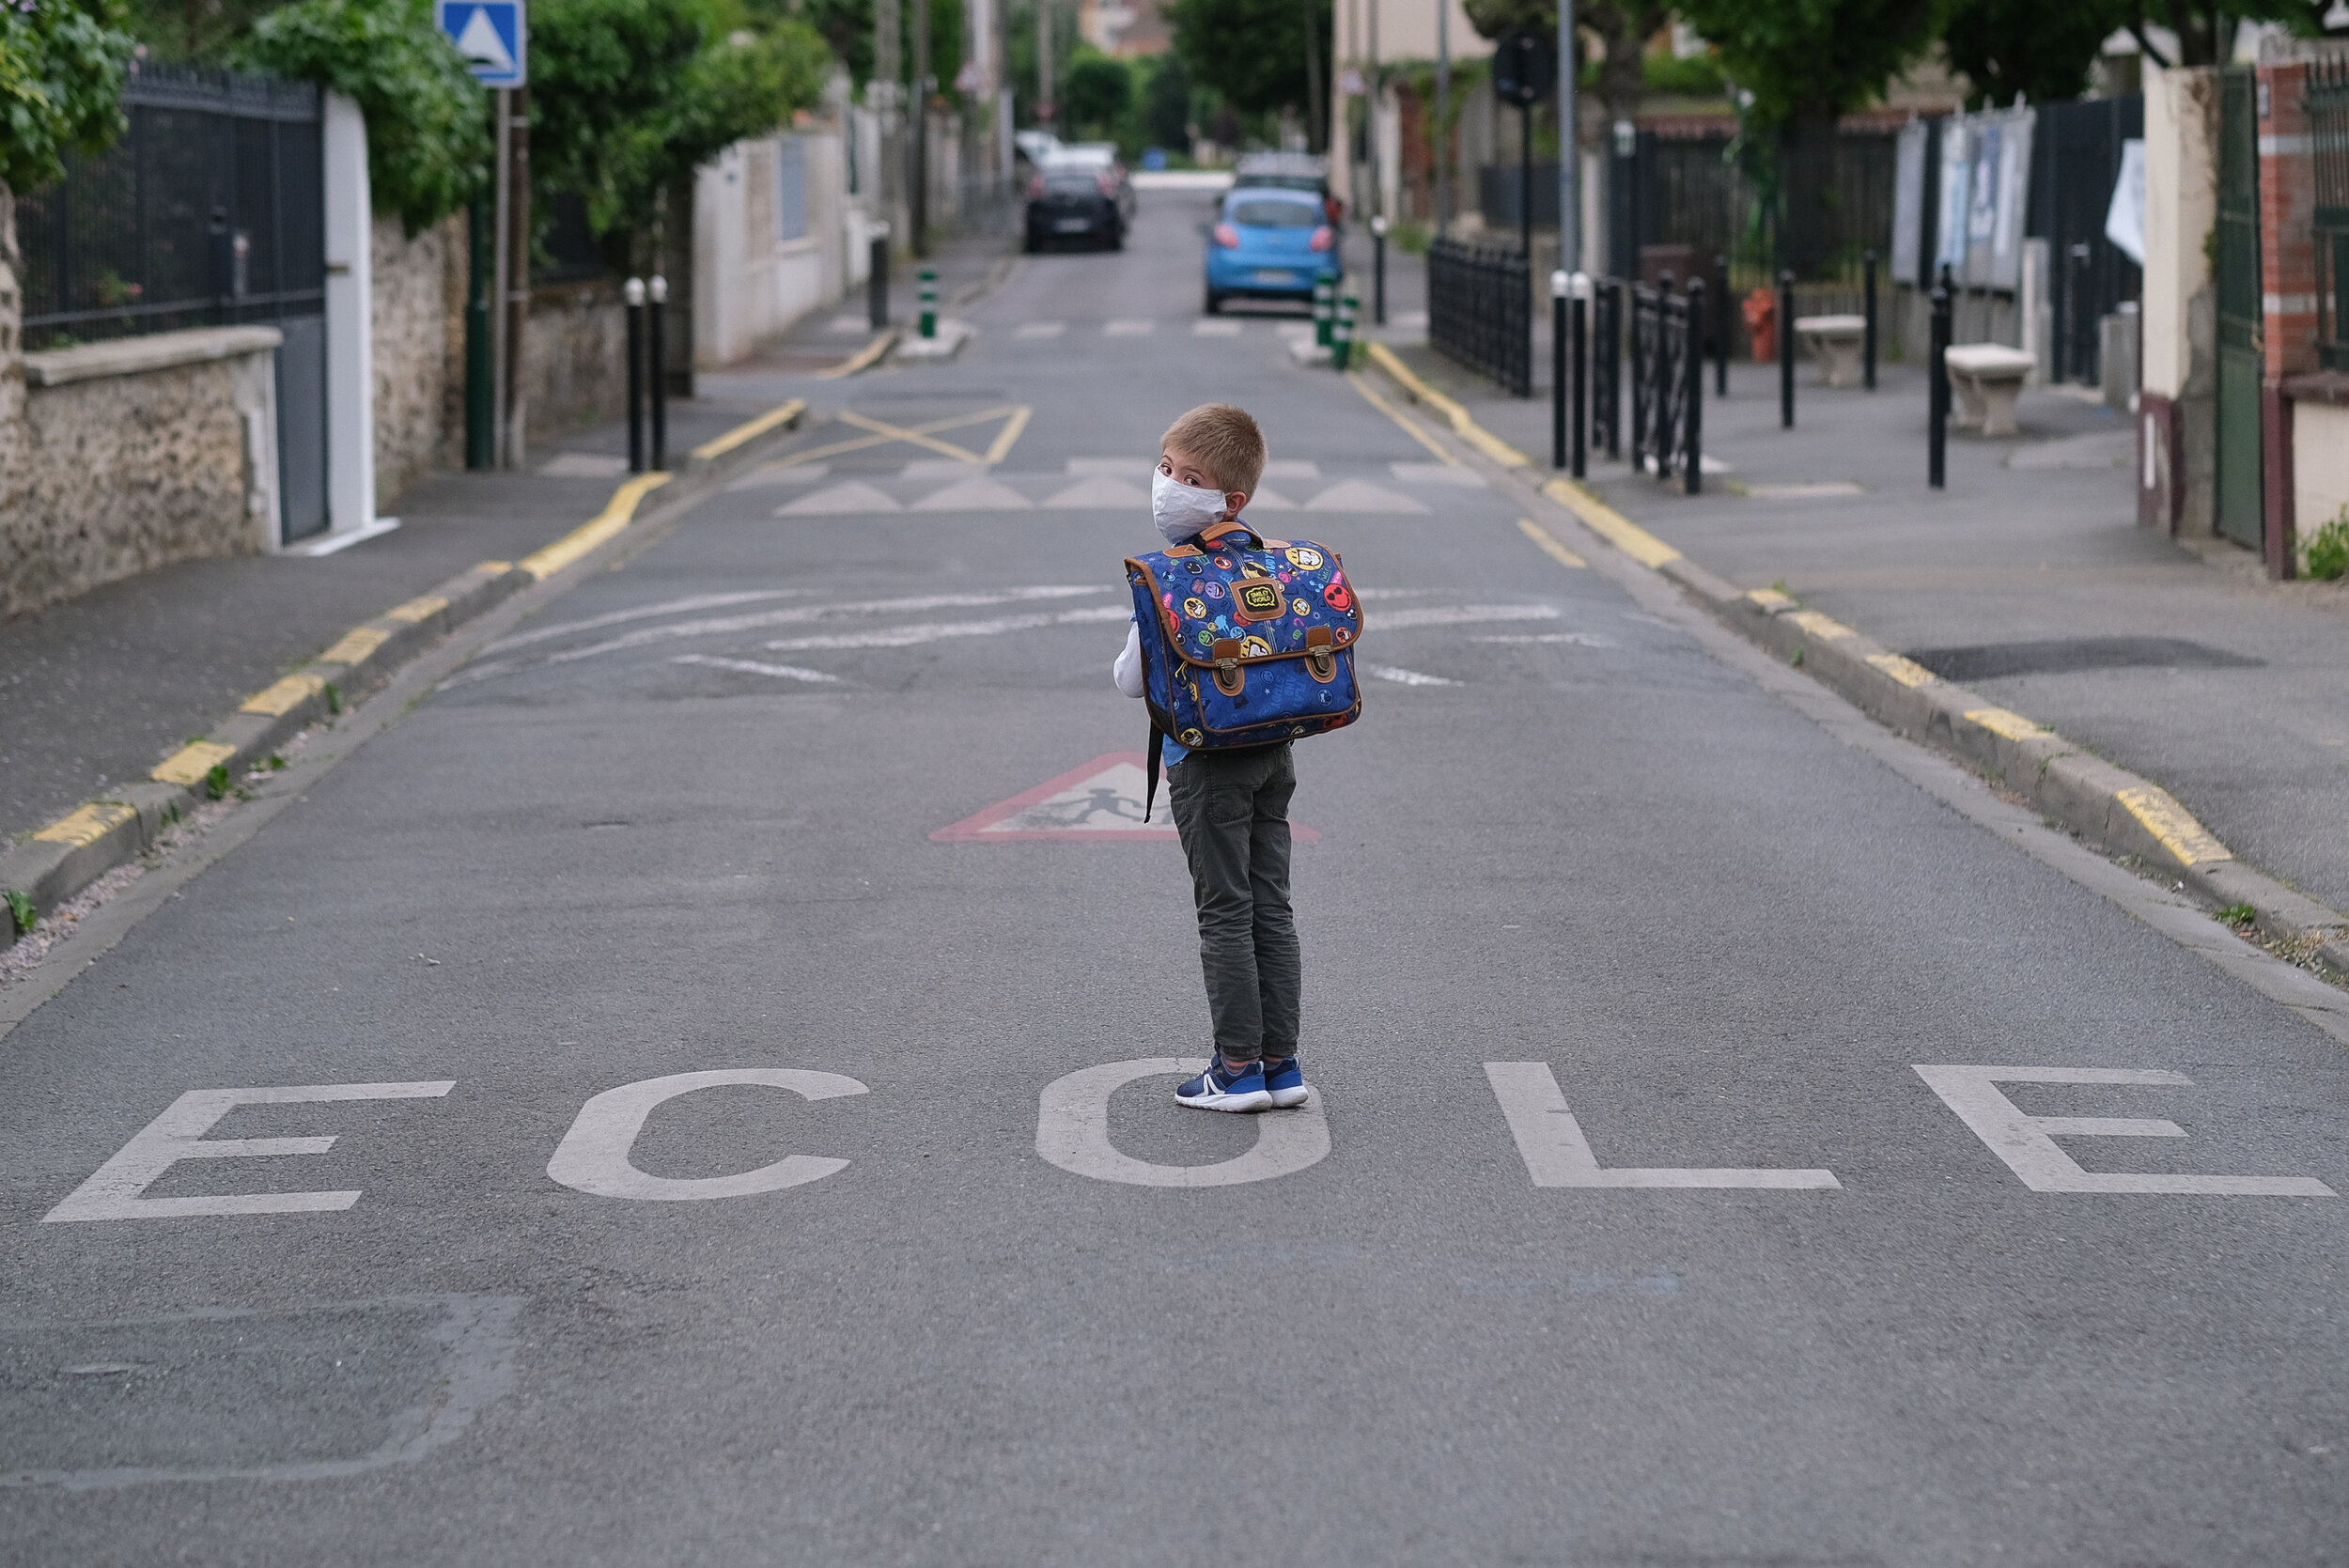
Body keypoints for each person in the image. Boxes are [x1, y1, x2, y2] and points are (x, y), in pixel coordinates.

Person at [1112, 404, 1306, 1115]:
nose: (1168, 484)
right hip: (1273, 754)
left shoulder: (1168, 578)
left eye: (1186, 476)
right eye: (1165, 468)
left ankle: (1236, 1068)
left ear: (1229, 498)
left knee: (1224, 912)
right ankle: (1283, 1066)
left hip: (1206, 763)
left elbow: (1132, 680)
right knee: (1271, 909)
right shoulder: (1271, 560)